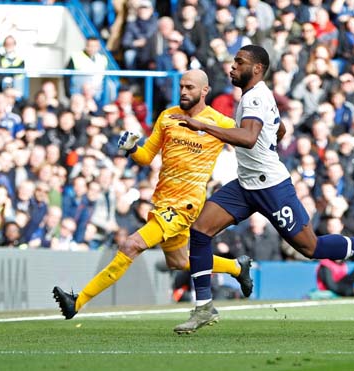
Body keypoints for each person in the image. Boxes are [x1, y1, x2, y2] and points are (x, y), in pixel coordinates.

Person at [173, 45, 354, 334]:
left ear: (256, 69)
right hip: (245, 184)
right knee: (200, 231)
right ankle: (203, 308)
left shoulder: (255, 97)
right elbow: (279, 130)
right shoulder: (259, 95)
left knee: (311, 247)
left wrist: (201, 126)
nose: (232, 67)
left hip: (270, 186)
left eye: (239, 63)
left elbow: (248, 137)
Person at [52, 70, 253, 319]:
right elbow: (146, 156)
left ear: (204, 91)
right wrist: (131, 149)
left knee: (131, 244)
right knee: (179, 262)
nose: (183, 91)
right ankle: (236, 266)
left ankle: (77, 301)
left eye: (190, 87)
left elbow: (248, 138)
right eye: (181, 86)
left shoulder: (219, 122)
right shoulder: (168, 116)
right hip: (163, 201)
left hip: (186, 205)